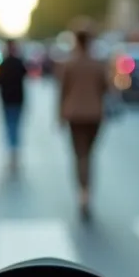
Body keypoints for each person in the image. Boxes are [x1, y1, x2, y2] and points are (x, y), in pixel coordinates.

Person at [57, 29, 110, 219]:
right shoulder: (98, 64)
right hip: (94, 114)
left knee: (80, 155)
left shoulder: (69, 63)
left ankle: (83, 193)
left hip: (74, 114)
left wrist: (59, 115)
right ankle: (87, 192)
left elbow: (62, 91)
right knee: (88, 154)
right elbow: (107, 88)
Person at [0, 38, 28, 171]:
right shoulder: (18, 62)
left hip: (7, 99)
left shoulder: (3, 63)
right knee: (15, 125)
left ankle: (11, 149)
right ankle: (14, 150)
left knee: (9, 125)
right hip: (17, 99)